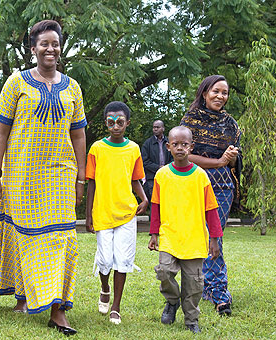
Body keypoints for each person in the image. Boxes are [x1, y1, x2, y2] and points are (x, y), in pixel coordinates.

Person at [0, 20, 86, 336]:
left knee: (63, 237)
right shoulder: (16, 82)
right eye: (44, 43)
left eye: (55, 43)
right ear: (33, 48)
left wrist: (80, 178)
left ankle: (58, 309)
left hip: (61, 175)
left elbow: (78, 135)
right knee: (24, 235)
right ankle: (24, 293)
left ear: (60, 48)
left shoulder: (72, 86)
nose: (50, 49)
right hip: (21, 175)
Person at [148, 126, 223, 334]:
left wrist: (215, 239)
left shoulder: (201, 176)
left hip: (195, 239)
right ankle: (172, 302)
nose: (180, 148)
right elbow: (156, 206)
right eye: (175, 144)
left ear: (191, 147)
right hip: (169, 236)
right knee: (164, 271)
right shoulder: (162, 175)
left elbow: (211, 210)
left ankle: (191, 319)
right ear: (168, 146)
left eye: (184, 144)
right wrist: (154, 233)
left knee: (194, 284)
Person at [180, 75, 241, 316]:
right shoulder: (190, 121)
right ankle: (207, 286)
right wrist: (218, 161)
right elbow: (185, 154)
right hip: (195, 184)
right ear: (205, 93)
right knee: (202, 235)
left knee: (214, 235)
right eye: (216, 91)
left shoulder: (231, 124)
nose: (220, 96)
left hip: (223, 186)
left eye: (225, 93)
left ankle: (219, 292)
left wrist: (231, 158)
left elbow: (234, 160)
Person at [85, 101, 148, 325]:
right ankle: (104, 287)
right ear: (105, 124)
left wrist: (144, 198)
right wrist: (88, 214)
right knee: (105, 259)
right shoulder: (96, 149)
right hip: (102, 211)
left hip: (127, 213)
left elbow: (135, 178)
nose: (115, 125)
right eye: (111, 122)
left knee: (122, 260)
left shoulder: (133, 149)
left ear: (127, 123)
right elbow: (90, 183)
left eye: (120, 121)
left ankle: (116, 307)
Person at [141, 120, 173, 203]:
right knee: (154, 203)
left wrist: (166, 168)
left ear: (163, 128)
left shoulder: (170, 142)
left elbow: (174, 158)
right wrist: (158, 168)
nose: (155, 129)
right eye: (154, 127)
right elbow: (145, 161)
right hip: (152, 179)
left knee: (168, 202)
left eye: (157, 127)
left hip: (168, 177)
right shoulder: (147, 144)